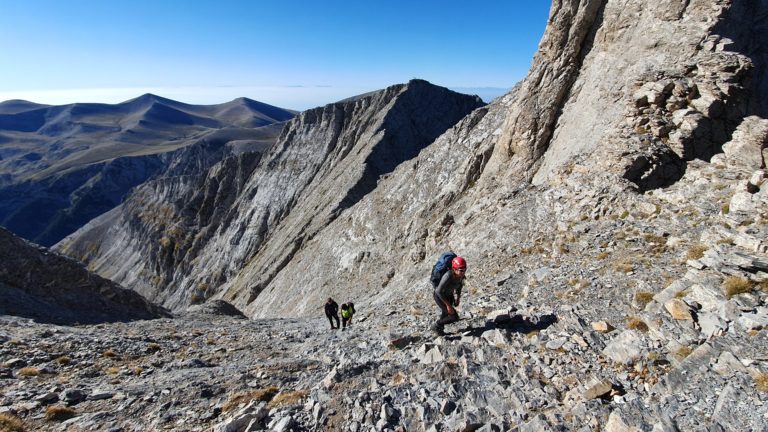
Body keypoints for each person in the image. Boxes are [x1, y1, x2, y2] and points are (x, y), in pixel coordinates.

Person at [432, 256, 467, 336]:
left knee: (445, 314)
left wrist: (458, 298)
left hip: (449, 296)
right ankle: (436, 325)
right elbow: (438, 291)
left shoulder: (461, 276)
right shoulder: (447, 276)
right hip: (440, 297)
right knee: (454, 317)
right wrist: (448, 305)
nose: (463, 272)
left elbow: (459, 287)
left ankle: (439, 331)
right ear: (454, 269)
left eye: (465, 269)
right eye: (461, 270)